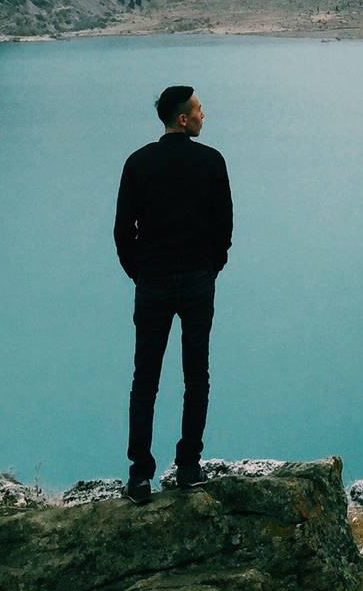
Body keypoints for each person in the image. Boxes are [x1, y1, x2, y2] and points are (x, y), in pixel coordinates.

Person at [113, 84, 233, 504]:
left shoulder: (138, 163)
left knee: (145, 378)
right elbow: (224, 227)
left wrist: (142, 274)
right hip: (198, 281)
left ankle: (140, 475)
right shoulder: (212, 161)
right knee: (196, 375)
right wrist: (210, 268)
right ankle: (188, 468)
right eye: (199, 110)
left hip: (154, 283)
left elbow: (122, 232)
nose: (204, 115)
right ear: (182, 118)